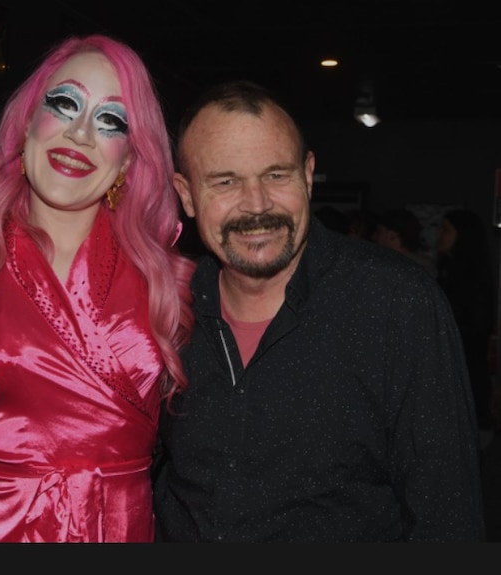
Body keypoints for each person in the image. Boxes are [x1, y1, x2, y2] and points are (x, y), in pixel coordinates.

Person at [153, 79, 485, 542]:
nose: (257, 204)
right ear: (186, 195)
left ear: (307, 175)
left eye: (275, 175)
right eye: (226, 181)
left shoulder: (397, 303)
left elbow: (447, 517)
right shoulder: (165, 309)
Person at [0, 34, 195, 542]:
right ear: (27, 122)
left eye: (111, 121)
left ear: (131, 159)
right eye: (64, 104)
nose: (81, 134)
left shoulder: (167, 280)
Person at [435, 208, 495, 435]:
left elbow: (475, 330)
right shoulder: (448, 272)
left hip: (464, 376)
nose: (439, 235)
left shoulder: (470, 281)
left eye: (446, 230)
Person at [372, 206, 437, 278]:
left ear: (393, 235)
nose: (374, 236)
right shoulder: (422, 266)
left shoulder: (407, 267)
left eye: (379, 231)